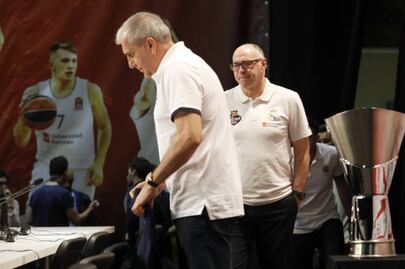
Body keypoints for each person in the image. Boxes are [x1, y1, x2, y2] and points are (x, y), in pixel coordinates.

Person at [115, 11, 244, 269]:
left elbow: (190, 136)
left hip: (202, 205)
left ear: (150, 44)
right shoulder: (181, 65)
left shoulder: (177, 69)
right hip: (203, 202)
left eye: (131, 54)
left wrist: (153, 181)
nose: (130, 64)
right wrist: (164, 181)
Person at [225, 43, 311, 269]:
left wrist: (298, 193)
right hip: (236, 205)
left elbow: (303, 150)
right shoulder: (222, 101)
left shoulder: (288, 98)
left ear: (264, 64)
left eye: (247, 64)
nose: (241, 70)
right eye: (236, 65)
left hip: (278, 203)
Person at [13, 41, 112, 199]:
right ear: (52, 64)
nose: (71, 65)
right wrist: (25, 115)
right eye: (65, 61)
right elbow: (21, 141)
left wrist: (99, 164)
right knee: (40, 219)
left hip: (82, 169)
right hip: (46, 166)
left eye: (74, 61)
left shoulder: (90, 90)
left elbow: (105, 127)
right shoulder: (35, 92)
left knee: (78, 219)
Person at [288, 118, 351, 269]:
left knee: (335, 261)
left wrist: (350, 213)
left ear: (316, 137)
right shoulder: (286, 157)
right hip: (298, 224)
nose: (306, 142)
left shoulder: (331, 154)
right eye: (302, 138)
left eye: (310, 137)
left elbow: (341, 183)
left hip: (327, 217)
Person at [26, 156, 99, 226]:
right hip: (59, 237)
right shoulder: (64, 194)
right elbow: (77, 220)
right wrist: (89, 208)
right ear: (66, 172)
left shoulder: (36, 193)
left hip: (40, 237)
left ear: (50, 172)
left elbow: (29, 219)